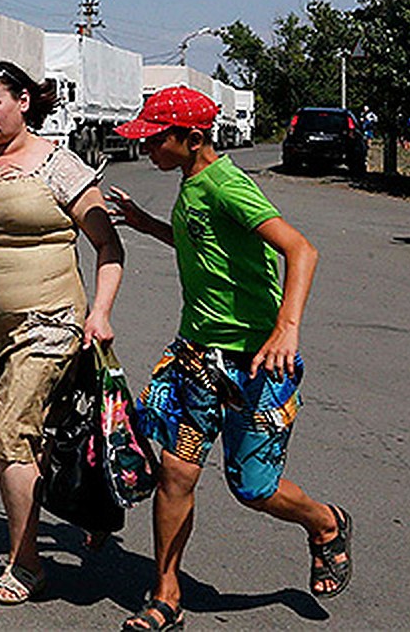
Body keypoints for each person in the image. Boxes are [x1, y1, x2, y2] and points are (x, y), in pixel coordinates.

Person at [106, 86, 351, 631]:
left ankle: (325, 523)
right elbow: (207, 246)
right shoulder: (192, 181)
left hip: (256, 366)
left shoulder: (227, 185)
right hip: (198, 361)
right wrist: (147, 224)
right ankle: (167, 594)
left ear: (192, 140)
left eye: (155, 139)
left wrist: (286, 330)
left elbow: (300, 249)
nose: (146, 148)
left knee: (255, 489)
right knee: (176, 472)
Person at [0, 60, 124, 606]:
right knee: (38, 438)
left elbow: (108, 247)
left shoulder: (60, 167)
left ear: (23, 101)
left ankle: (27, 565)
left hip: (51, 324)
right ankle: (88, 506)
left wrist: (101, 313)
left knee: (9, 434)